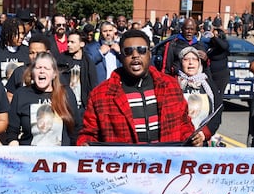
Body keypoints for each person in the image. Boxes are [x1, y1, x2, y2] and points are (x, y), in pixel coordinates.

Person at [77, 29, 205, 145]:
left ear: (149, 54)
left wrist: (192, 138)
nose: (135, 55)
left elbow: (184, 125)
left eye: (142, 50)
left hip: (165, 167)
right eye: (128, 51)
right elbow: (89, 135)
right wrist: (84, 145)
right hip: (123, 168)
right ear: (121, 57)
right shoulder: (100, 95)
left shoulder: (170, 85)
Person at [9, 51, 79, 146]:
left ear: (54, 74)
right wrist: (13, 143)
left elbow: (76, 128)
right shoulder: (21, 94)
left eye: (46, 68)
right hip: (30, 156)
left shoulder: (66, 93)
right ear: (32, 72)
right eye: (38, 68)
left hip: (60, 157)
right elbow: (12, 131)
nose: (42, 71)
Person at [175, 46, 220, 139]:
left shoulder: (208, 84)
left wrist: (203, 134)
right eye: (186, 59)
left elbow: (217, 112)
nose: (191, 63)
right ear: (180, 62)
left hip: (202, 139)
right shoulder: (173, 83)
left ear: (199, 63)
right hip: (179, 139)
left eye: (195, 59)